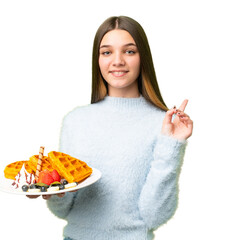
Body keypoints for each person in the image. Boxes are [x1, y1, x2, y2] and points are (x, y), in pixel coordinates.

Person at [29, 16, 193, 240]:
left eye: (129, 51)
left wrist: (172, 145)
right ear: (97, 60)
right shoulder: (75, 121)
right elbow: (63, 210)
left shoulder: (164, 125)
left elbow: (155, 216)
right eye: (107, 52)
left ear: (142, 57)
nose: (117, 61)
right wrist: (53, 192)